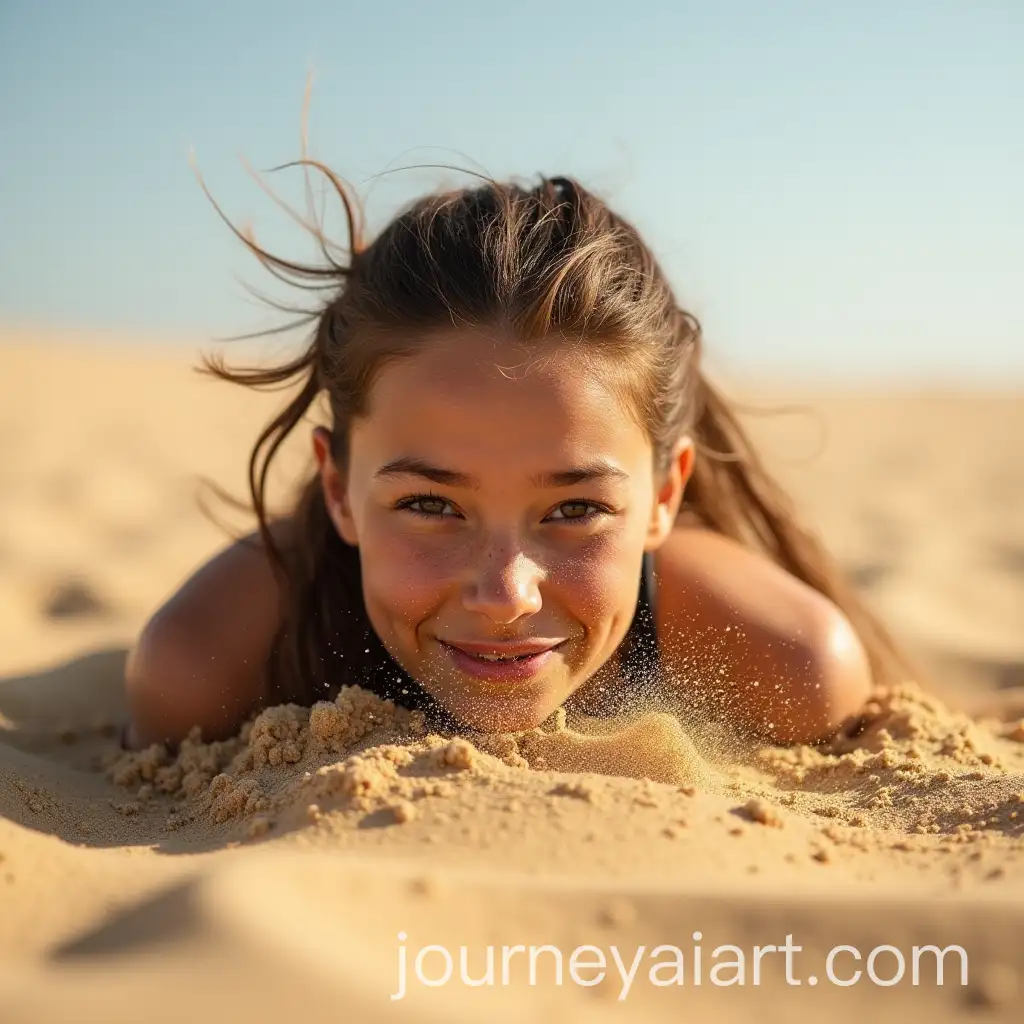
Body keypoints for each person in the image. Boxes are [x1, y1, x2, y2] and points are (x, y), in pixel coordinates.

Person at [123, 170, 908, 751]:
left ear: (665, 494)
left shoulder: (788, 666)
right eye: (431, 505)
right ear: (337, 487)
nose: (505, 594)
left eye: (574, 509)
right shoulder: (201, 665)